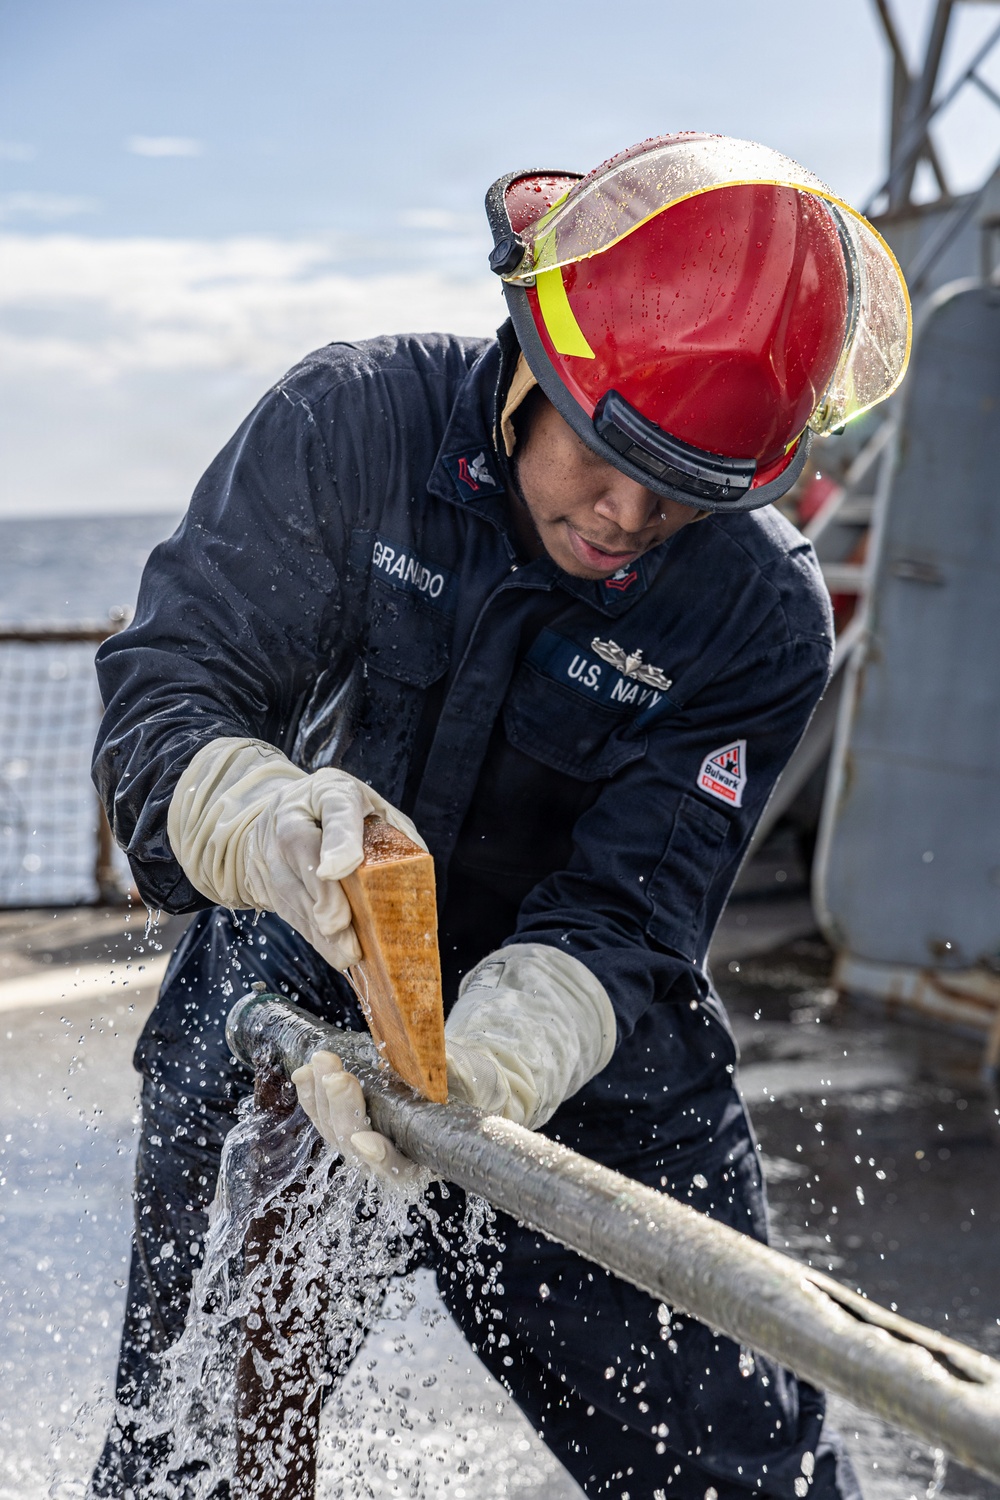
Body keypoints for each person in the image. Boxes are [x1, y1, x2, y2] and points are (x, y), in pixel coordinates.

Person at [90, 134, 910, 1499]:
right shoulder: (351, 427)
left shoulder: (759, 619)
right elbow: (174, 683)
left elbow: (634, 911)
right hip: (296, 971)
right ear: (532, 363)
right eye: (603, 450)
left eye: (690, 489)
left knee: (735, 1471)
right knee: (188, 1450)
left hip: (584, 1066)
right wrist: (261, 817)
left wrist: (488, 1080)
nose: (632, 513)